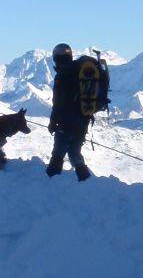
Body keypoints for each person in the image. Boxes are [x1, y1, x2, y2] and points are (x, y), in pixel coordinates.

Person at [46, 43, 92, 181]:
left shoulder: (62, 76)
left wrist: (53, 122)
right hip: (82, 122)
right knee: (74, 153)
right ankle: (86, 182)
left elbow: (58, 103)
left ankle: (50, 181)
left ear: (56, 58)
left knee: (58, 153)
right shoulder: (78, 72)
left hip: (66, 123)